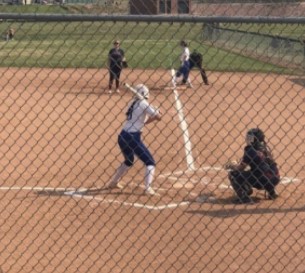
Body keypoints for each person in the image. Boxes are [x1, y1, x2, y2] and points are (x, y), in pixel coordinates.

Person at [106, 84, 162, 195]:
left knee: (129, 161)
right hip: (133, 137)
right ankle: (148, 189)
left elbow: (144, 122)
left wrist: (154, 113)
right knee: (150, 162)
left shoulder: (132, 103)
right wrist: (157, 112)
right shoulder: (144, 103)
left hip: (122, 136)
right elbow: (159, 118)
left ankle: (114, 182)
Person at [225, 128, 280, 204]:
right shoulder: (266, 148)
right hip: (276, 178)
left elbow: (241, 168)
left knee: (233, 174)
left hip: (263, 180)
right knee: (263, 171)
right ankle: (272, 192)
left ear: (254, 139)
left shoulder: (250, 150)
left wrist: (233, 166)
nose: (248, 139)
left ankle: (244, 197)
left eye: (250, 138)